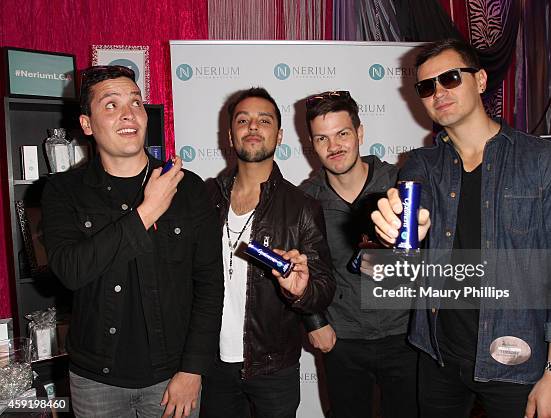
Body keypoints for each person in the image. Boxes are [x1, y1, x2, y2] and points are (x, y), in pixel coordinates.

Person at [371, 39, 551, 418]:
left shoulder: (542, 161)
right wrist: (398, 238)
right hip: (438, 354)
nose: (438, 92)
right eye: (426, 86)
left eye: (450, 78)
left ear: (481, 80)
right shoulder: (420, 165)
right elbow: (409, 239)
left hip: (516, 359)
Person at [41, 65, 224, 418]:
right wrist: (147, 211)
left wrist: (193, 369)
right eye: (111, 105)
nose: (129, 114)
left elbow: (210, 285)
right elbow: (70, 271)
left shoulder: (188, 188)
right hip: (96, 381)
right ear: (87, 124)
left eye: (136, 102)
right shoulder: (62, 192)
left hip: (172, 376)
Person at [201, 87, 335, 418]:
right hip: (211, 364)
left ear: (279, 134)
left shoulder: (302, 207)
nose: (253, 127)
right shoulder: (205, 198)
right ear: (230, 136)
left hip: (273, 367)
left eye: (264, 120)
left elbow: (323, 286)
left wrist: (302, 291)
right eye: (243, 120)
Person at [299, 90, 418, 418]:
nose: (333, 146)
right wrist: (315, 322)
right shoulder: (306, 201)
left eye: (342, 134)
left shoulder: (401, 183)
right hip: (343, 341)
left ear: (360, 133)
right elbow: (298, 272)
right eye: (322, 138)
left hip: (405, 336)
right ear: (311, 143)